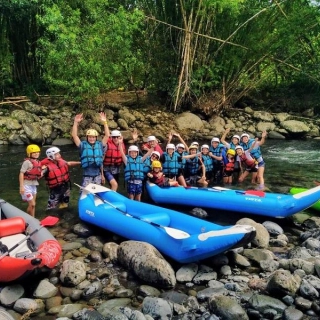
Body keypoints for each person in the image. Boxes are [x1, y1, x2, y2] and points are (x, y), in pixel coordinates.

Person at [72, 112, 108, 187]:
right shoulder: (82, 145)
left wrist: (105, 122)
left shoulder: (100, 145)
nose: (92, 138)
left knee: (97, 195)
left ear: (96, 138)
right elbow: (74, 136)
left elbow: (107, 135)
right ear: (87, 137)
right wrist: (75, 122)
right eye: (90, 137)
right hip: (87, 176)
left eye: (93, 137)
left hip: (97, 175)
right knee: (86, 193)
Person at [19, 144, 42, 217]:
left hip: (33, 185)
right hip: (26, 185)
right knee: (32, 204)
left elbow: (36, 173)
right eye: (34, 152)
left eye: (37, 152)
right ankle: (30, 218)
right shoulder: (27, 162)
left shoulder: (38, 162)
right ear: (30, 153)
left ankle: (31, 218)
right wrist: (21, 186)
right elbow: (21, 173)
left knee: (32, 205)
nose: (36, 153)